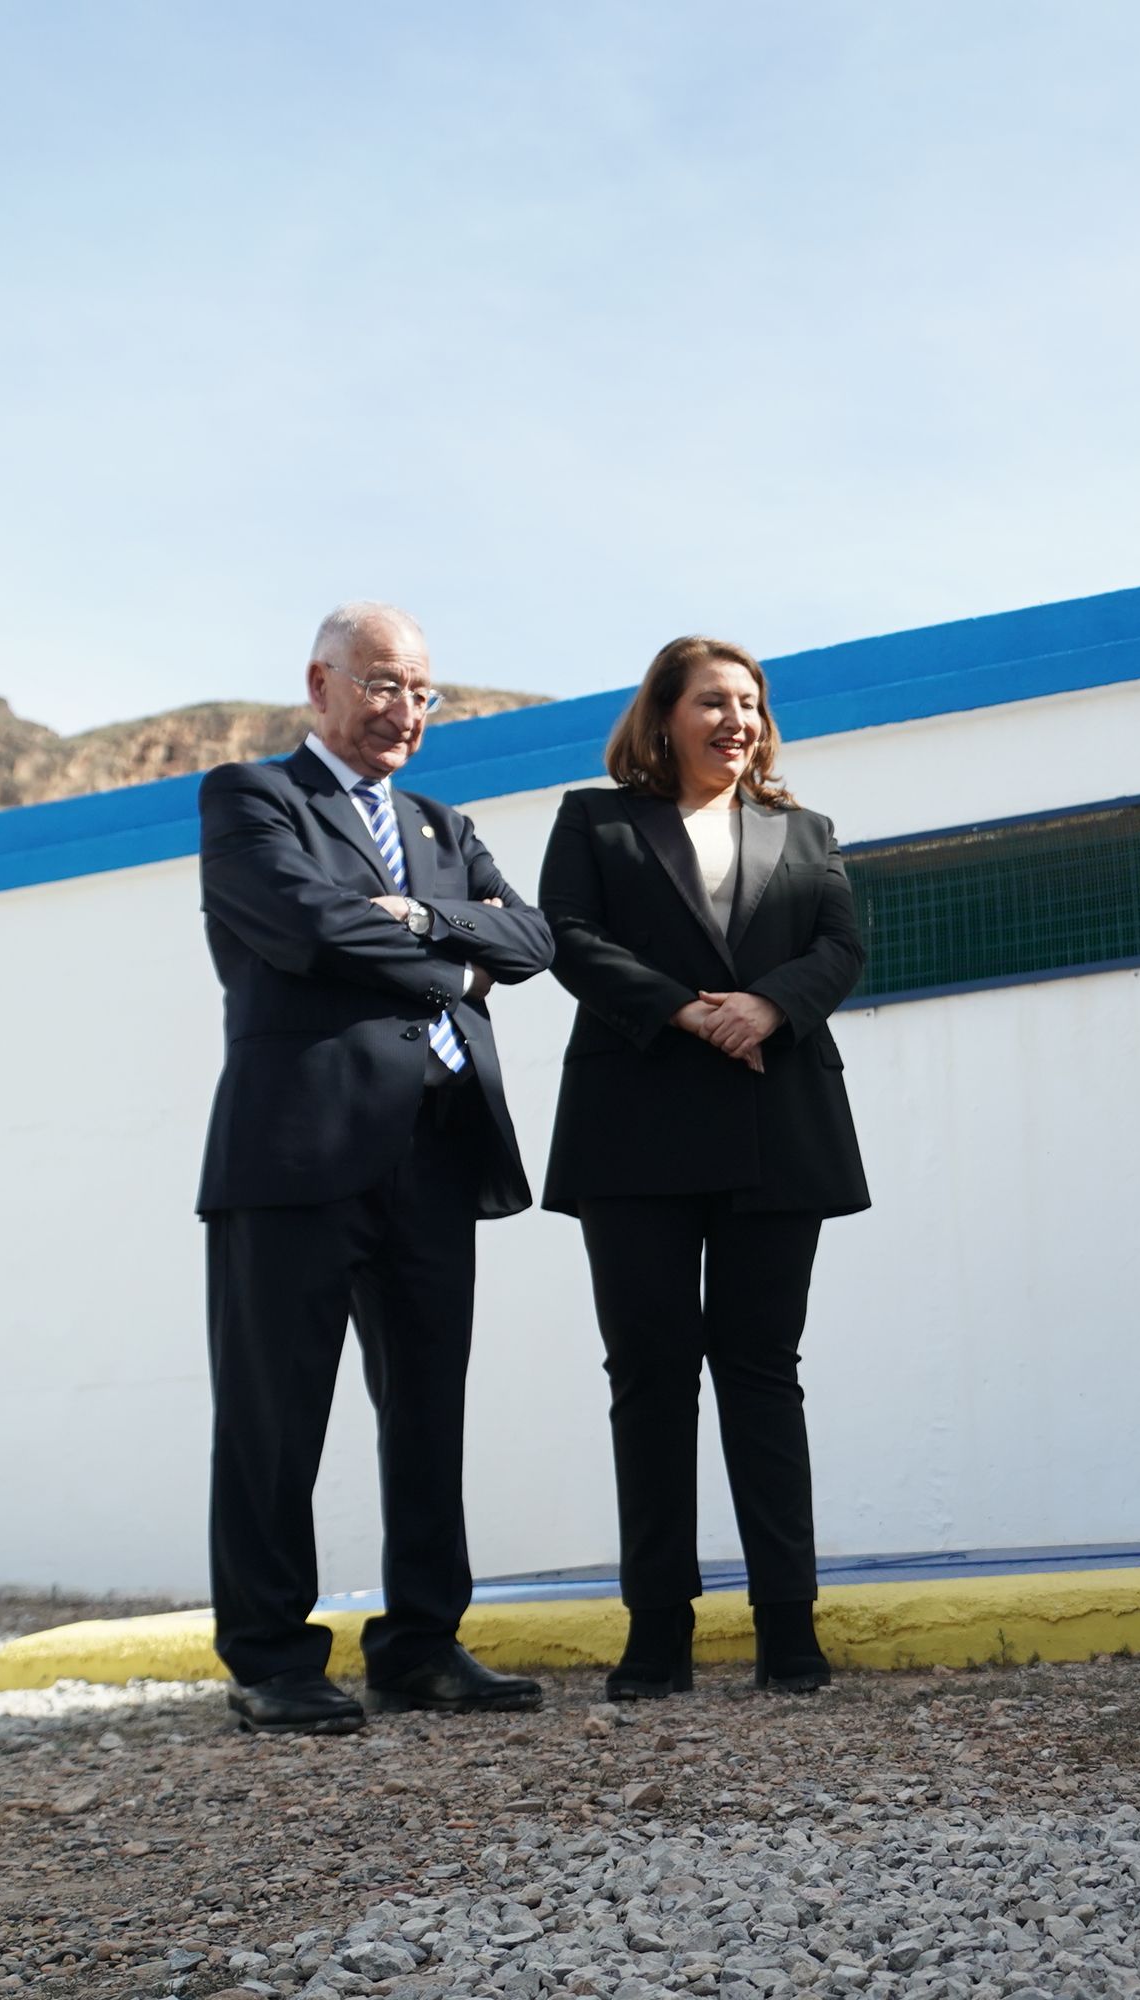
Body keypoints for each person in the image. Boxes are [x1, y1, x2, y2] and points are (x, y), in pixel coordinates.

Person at [196, 602, 557, 1734]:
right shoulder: (252, 798)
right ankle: (271, 1654)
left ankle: (420, 1643)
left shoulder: (444, 825)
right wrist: (454, 965)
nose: (405, 710)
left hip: (435, 1149)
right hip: (296, 1148)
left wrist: (416, 911)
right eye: (383, 684)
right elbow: (305, 926)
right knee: (274, 1410)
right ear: (322, 683)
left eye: (422, 692)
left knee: (425, 1409)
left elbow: (535, 940)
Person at [537, 635, 871, 1701]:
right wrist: (687, 1010)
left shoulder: (804, 831)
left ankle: (788, 1625)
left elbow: (840, 944)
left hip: (780, 1120)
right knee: (649, 1377)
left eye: (751, 703)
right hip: (634, 1128)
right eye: (713, 701)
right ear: (664, 715)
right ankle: (657, 1632)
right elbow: (569, 937)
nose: (737, 719)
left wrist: (767, 1004)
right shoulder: (594, 820)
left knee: (762, 1372)